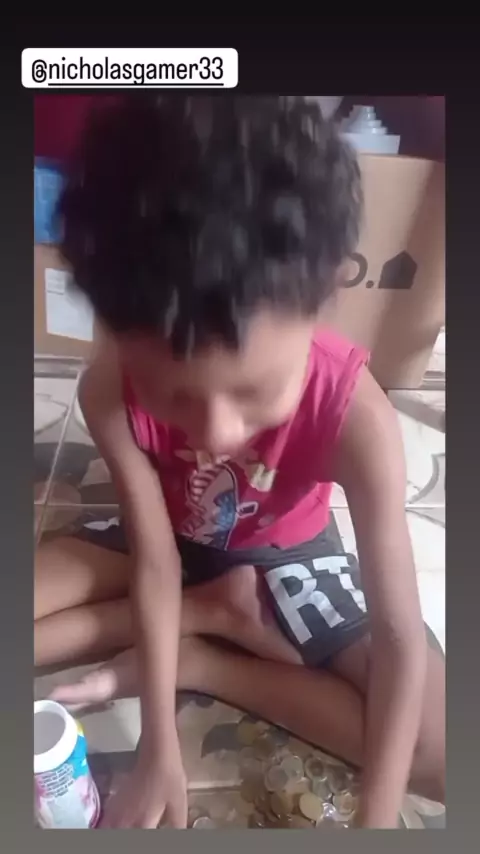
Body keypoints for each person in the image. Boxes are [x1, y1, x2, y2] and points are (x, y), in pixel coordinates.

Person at [34, 95, 445, 829]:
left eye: (255, 391)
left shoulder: (357, 418)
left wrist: (378, 825)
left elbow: (398, 637)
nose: (219, 432)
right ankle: (211, 611)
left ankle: (210, 659)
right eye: (174, 394)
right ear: (118, 335)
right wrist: (160, 744)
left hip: (285, 551)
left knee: (441, 748)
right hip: (165, 539)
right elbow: (155, 559)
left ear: (327, 297)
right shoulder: (108, 390)